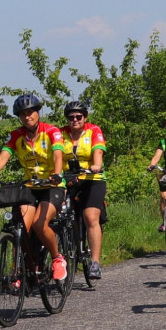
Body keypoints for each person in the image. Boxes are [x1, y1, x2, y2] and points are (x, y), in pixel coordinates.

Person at [0, 93, 68, 283]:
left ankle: (58, 258)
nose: (27, 117)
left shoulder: (52, 131)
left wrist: (57, 174)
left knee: (39, 224)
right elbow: (4, 156)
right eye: (23, 114)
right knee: (20, 230)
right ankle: (18, 271)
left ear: (38, 112)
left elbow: (58, 154)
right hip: (30, 186)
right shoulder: (16, 136)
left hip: (53, 185)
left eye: (30, 112)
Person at [59, 100, 106, 279]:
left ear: (85, 117)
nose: (75, 120)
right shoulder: (60, 134)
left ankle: (95, 263)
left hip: (92, 179)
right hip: (68, 180)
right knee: (58, 215)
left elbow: (98, 151)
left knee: (90, 217)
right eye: (71, 117)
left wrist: (96, 165)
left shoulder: (94, 130)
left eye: (79, 116)